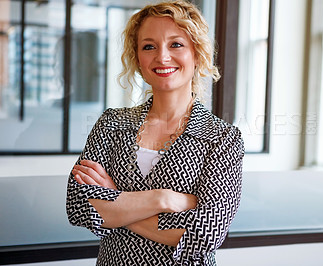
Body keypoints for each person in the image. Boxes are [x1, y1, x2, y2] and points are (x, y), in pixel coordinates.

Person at [66, 0, 244, 265]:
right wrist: (163, 198)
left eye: (176, 44)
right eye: (149, 46)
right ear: (138, 58)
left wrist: (116, 202)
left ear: (197, 53)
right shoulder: (112, 123)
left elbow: (207, 235)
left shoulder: (222, 138)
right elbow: (79, 206)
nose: (162, 57)